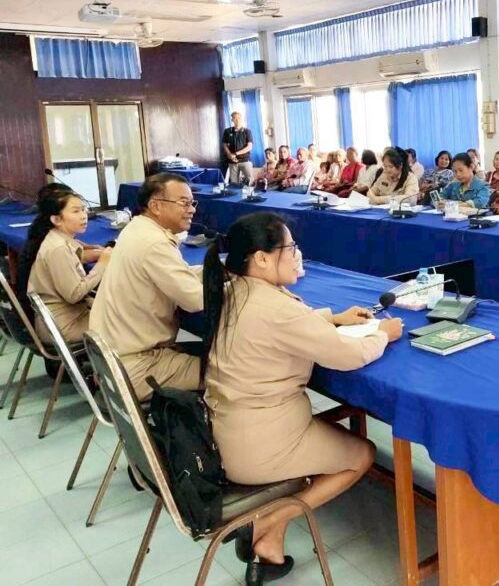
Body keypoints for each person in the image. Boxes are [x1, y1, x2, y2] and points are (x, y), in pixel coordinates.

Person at [202, 213, 403, 577]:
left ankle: (270, 541)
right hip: (259, 446)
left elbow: (287, 323)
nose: (298, 255)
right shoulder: (276, 309)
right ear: (262, 258)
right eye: (291, 247)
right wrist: (383, 334)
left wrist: (333, 318)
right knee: (361, 454)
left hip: (227, 430)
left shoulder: (236, 289)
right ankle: (269, 523)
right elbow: (348, 355)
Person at [89, 173, 203, 400]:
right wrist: (242, 287)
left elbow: (175, 274)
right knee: (231, 369)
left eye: (192, 203)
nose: (191, 209)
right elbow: (196, 300)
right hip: (138, 366)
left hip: (113, 358)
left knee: (201, 342)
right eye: (184, 203)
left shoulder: (137, 228)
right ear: (156, 206)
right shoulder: (155, 243)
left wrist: (216, 270)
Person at [16, 190, 112, 345]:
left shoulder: (57, 237)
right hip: (64, 326)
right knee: (129, 321)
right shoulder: (58, 249)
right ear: (56, 219)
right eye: (76, 211)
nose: (84, 216)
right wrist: (102, 264)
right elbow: (74, 294)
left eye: (83, 209)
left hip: (64, 318)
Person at [222, 111, 254, 186]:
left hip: (245, 160)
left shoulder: (247, 131)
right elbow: (225, 145)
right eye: (235, 118)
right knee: (234, 183)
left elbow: (249, 147)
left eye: (239, 118)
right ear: (232, 120)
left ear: (241, 119)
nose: (237, 120)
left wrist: (235, 154)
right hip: (232, 161)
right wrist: (229, 155)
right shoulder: (227, 131)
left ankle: (250, 193)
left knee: (250, 181)